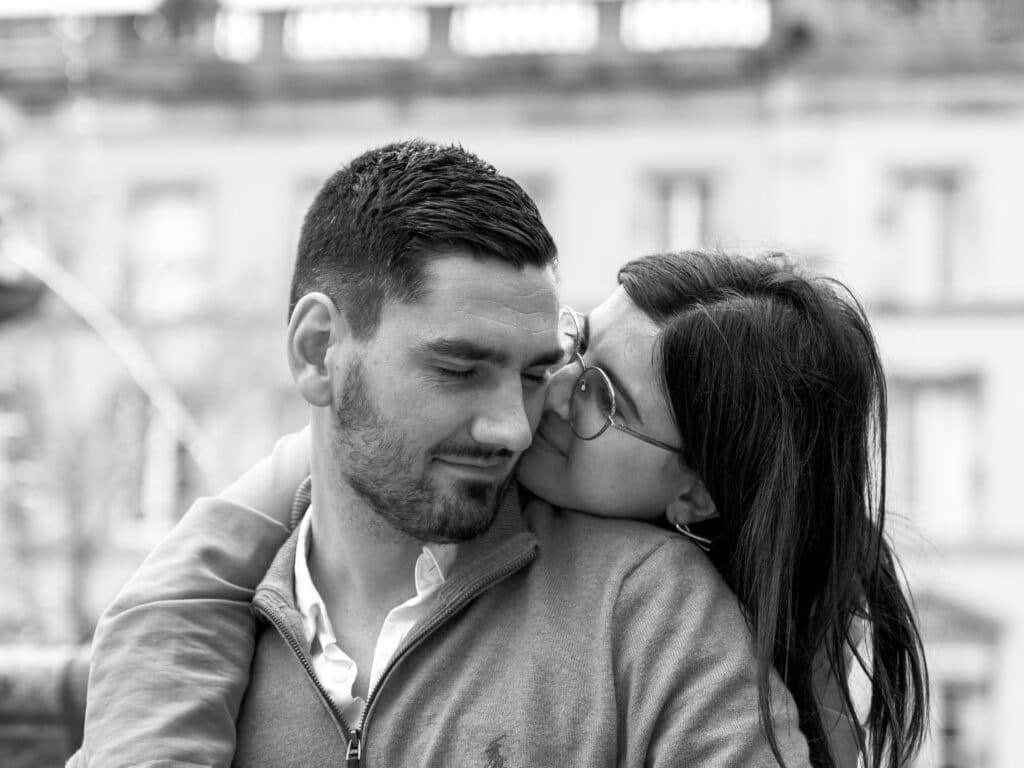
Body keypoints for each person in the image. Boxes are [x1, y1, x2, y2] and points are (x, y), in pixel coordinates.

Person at [71, 143, 812, 767]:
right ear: (318, 350)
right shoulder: (201, 626)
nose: (520, 425)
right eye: (459, 370)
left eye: (531, 372)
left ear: (699, 491)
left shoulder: (651, 608)